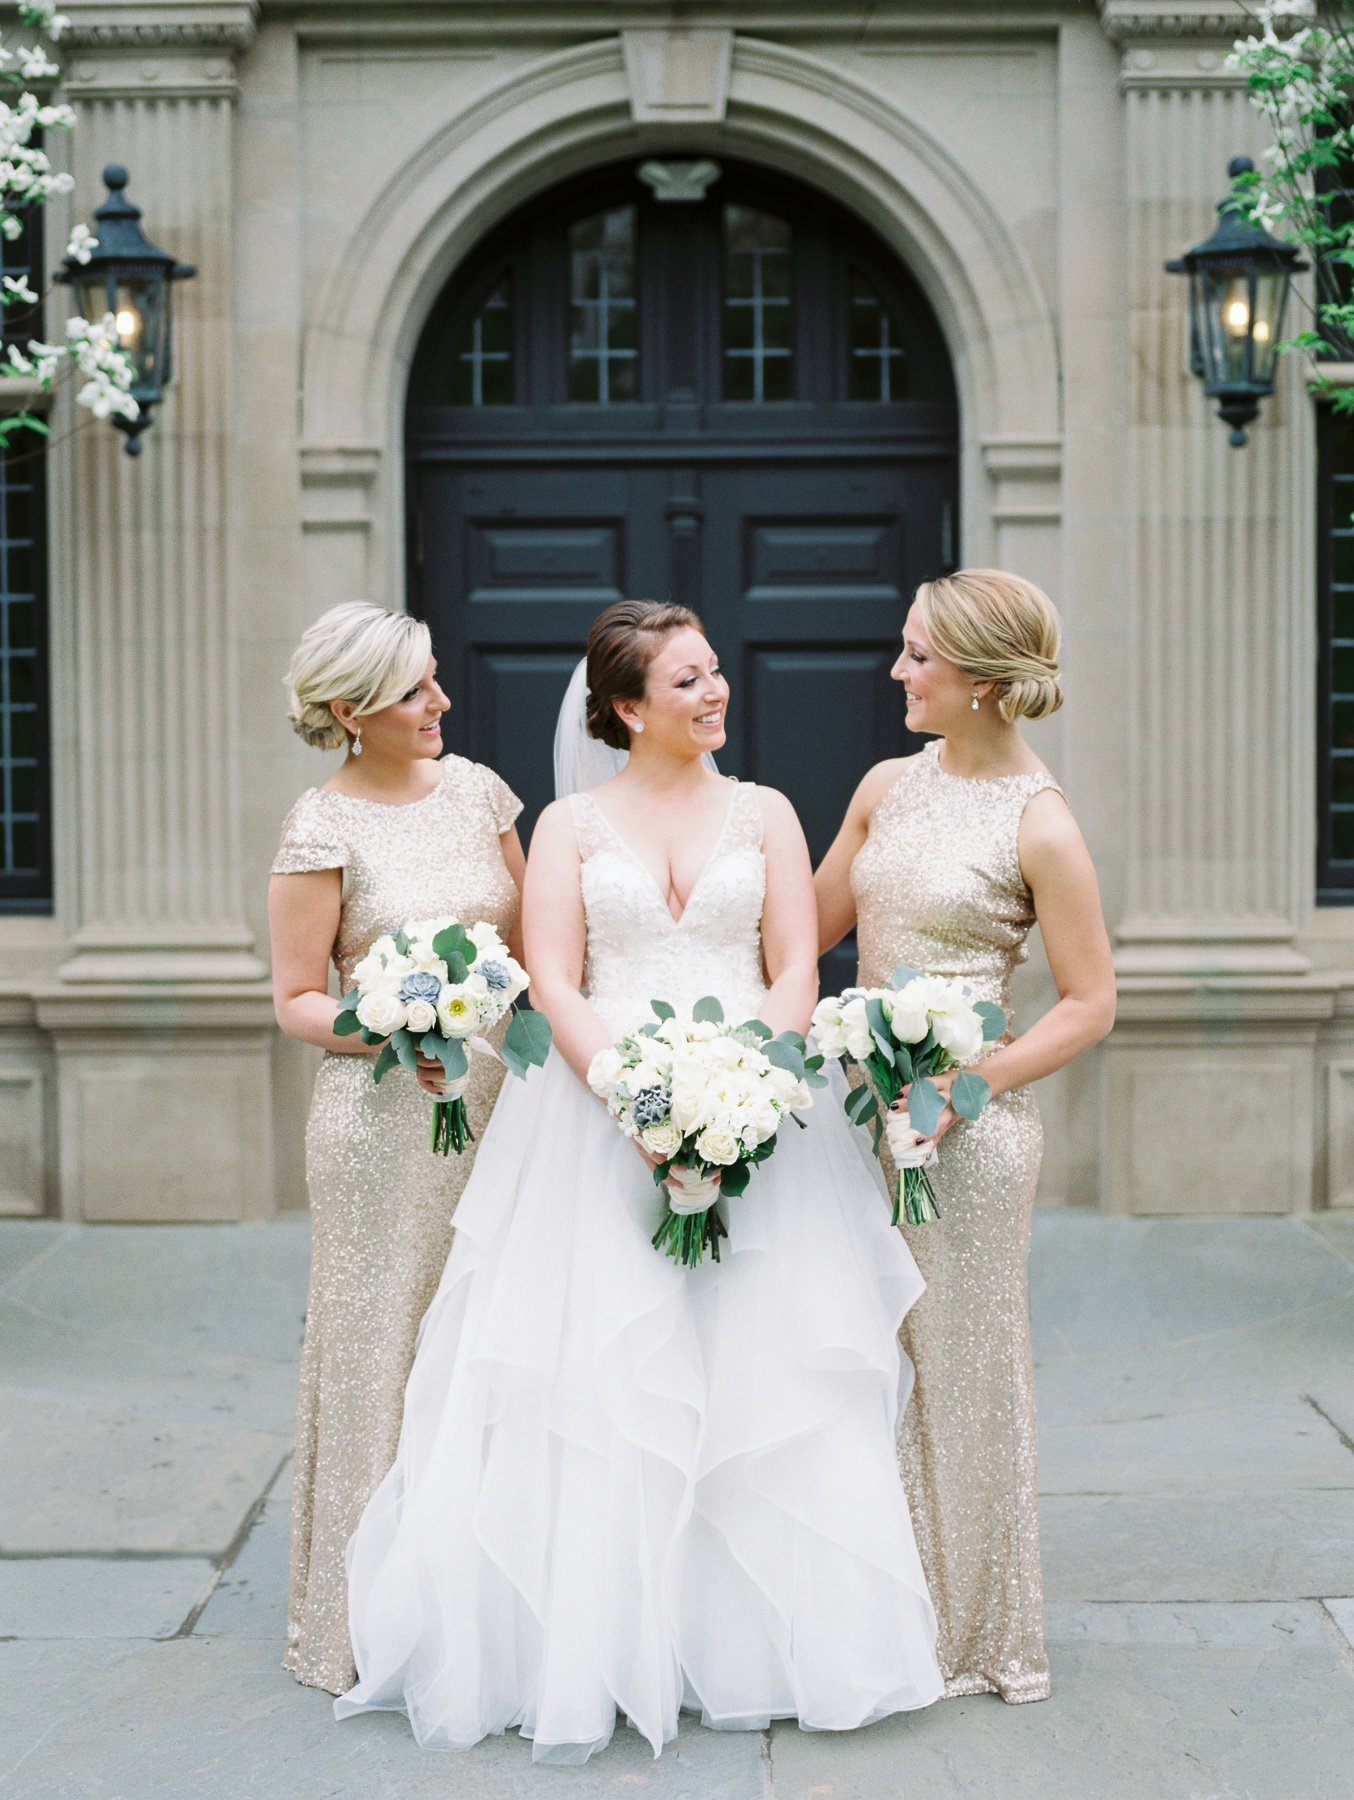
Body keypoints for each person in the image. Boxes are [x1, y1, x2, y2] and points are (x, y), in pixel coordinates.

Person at [335, 600, 943, 1761]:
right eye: (685, 683)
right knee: (601, 1373)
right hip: (591, 1114)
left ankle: (757, 1640)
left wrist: (748, 1082)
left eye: (713, 673)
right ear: (624, 707)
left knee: (759, 1368)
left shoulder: (764, 812)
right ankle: (593, 1640)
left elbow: (795, 962)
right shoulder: (566, 824)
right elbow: (554, 977)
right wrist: (634, 1094)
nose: (715, 694)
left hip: (759, 1105)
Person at [813, 568, 1116, 1703]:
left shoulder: (1042, 825)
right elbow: (806, 928)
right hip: (859, 1120)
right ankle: (874, 1611)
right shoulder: (885, 785)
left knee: (963, 1369)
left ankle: (975, 1634)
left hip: (966, 1136)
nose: (897, 672)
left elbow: (1090, 1002)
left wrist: (962, 1089)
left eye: (917, 658)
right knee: (863, 1357)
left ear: (984, 683)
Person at [268, 601, 525, 1694]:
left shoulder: (480, 793)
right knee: (385, 1346)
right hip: (379, 1126)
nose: (441, 702)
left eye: (435, 682)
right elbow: (294, 1000)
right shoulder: (319, 830)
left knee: (496, 1336)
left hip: (507, 1107)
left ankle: (489, 1607)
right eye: (417, 689)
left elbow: (530, 942)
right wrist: (392, 1025)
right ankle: (363, 1623)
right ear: (349, 710)